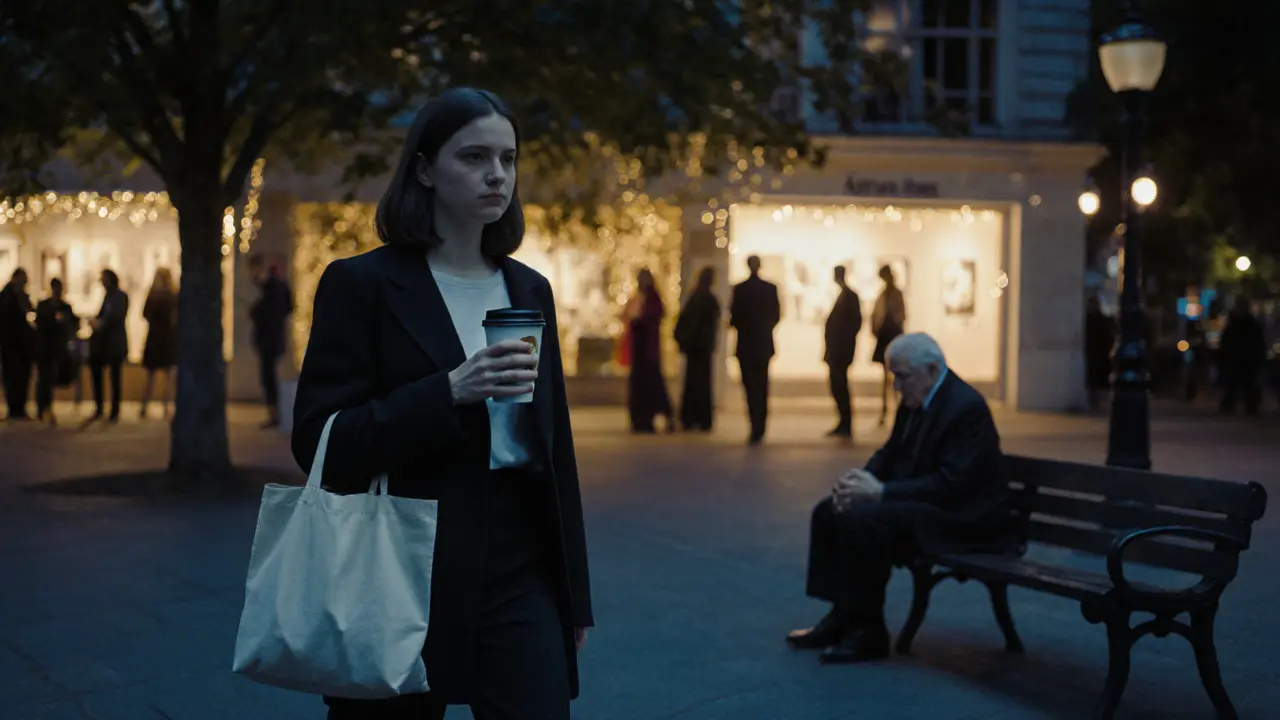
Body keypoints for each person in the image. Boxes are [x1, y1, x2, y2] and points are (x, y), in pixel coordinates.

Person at [291, 87, 593, 720]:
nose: (497, 175)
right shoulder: (362, 285)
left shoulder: (527, 288)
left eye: (508, 159)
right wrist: (448, 391)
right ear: (425, 169)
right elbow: (320, 441)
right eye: (474, 157)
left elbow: (554, 447)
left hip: (520, 563)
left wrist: (574, 597)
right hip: (399, 563)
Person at [786, 333, 1010, 664]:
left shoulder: (966, 409)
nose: (897, 386)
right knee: (830, 511)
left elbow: (953, 484)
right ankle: (841, 615)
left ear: (932, 371)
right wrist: (861, 482)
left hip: (964, 518)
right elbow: (891, 452)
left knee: (867, 521)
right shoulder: (916, 399)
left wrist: (883, 492)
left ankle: (868, 630)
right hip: (929, 504)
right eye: (895, 376)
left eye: (902, 376)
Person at [729, 255, 780, 445]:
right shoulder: (770, 289)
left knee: (750, 387)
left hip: (746, 345)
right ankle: (760, 425)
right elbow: (776, 315)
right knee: (762, 385)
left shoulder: (740, 289)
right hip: (763, 344)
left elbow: (734, 317)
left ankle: (754, 425)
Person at [673, 267, 721, 432]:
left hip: (695, 348)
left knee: (693, 383)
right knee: (703, 384)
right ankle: (701, 419)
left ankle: (690, 418)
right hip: (702, 348)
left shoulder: (696, 298)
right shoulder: (709, 299)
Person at [249, 256, 293, 428]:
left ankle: (275, 415)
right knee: (269, 377)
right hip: (273, 340)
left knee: (268, 378)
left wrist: (255, 312)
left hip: (269, 341)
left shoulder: (271, 289)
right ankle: (275, 414)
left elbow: (267, 313)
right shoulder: (278, 288)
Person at [823, 265, 862, 439]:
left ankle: (845, 422)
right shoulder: (844, 296)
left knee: (840, 385)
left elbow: (854, 323)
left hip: (841, 350)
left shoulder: (849, 296)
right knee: (837, 385)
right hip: (837, 350)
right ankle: (843, 421)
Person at [34, 278, 77, 425]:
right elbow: (40, 325)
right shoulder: (44, 306)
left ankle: (46, 407)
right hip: (45, 348)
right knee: (43, 379)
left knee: (50, 378)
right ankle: (42, 408)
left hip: (57, 349)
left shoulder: (65, 307)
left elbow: (72, 324)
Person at [88, 269, 128, 423]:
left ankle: (113, 409)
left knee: (114, 377)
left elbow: (114, 318)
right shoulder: (109, 297)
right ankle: (100, 407)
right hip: (104, 343)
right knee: (103, 374)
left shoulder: (119, 297)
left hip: (113, 343)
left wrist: (100, 323)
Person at [870, 265, 906, 425]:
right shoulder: (885, 294)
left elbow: (900, 315)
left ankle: (895, 410)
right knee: (887, 376)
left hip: (892, 335)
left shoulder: (894, 294)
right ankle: (886, 411)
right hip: (887, 335)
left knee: (895, 375)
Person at [1218, 295, 1266, 416]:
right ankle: (1236, 406)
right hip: (1238, 359)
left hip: (1244, 359)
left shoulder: (1248, 324)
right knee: (1236, 384)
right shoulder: (1241, 324)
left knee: (1244, 385)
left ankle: (1245, 406)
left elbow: (1258, 343)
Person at [140, 268, 178, 420]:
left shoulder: (153, 296)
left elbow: (145, 315)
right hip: (167, 339)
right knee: (168, 376)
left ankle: (145, 405)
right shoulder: (172, 296)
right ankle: (166, 406)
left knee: (150, 376)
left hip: (155, 338)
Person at [0, 268, 35, 420]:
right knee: (12, 377)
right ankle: (15, 407)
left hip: (23, 345)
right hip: (11, 345)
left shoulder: (21, 296)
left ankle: (19, 407)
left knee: (22, 376)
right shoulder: (7, 296)